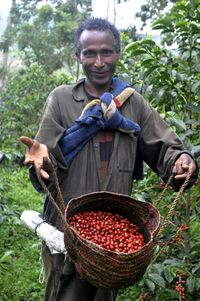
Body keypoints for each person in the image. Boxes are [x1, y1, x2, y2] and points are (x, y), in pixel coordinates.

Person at [20, 18, 198, 301]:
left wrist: (182, 160)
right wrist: (42, 162)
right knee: (65, 293)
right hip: (67, 234)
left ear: (118, 53)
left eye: (107, 52)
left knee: (104, 295)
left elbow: (166, 150)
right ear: (78, 56)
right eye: (89, 53)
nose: (99, 62)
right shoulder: (62, 100)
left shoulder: (133, 103)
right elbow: (43, 160)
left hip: (113, 245)